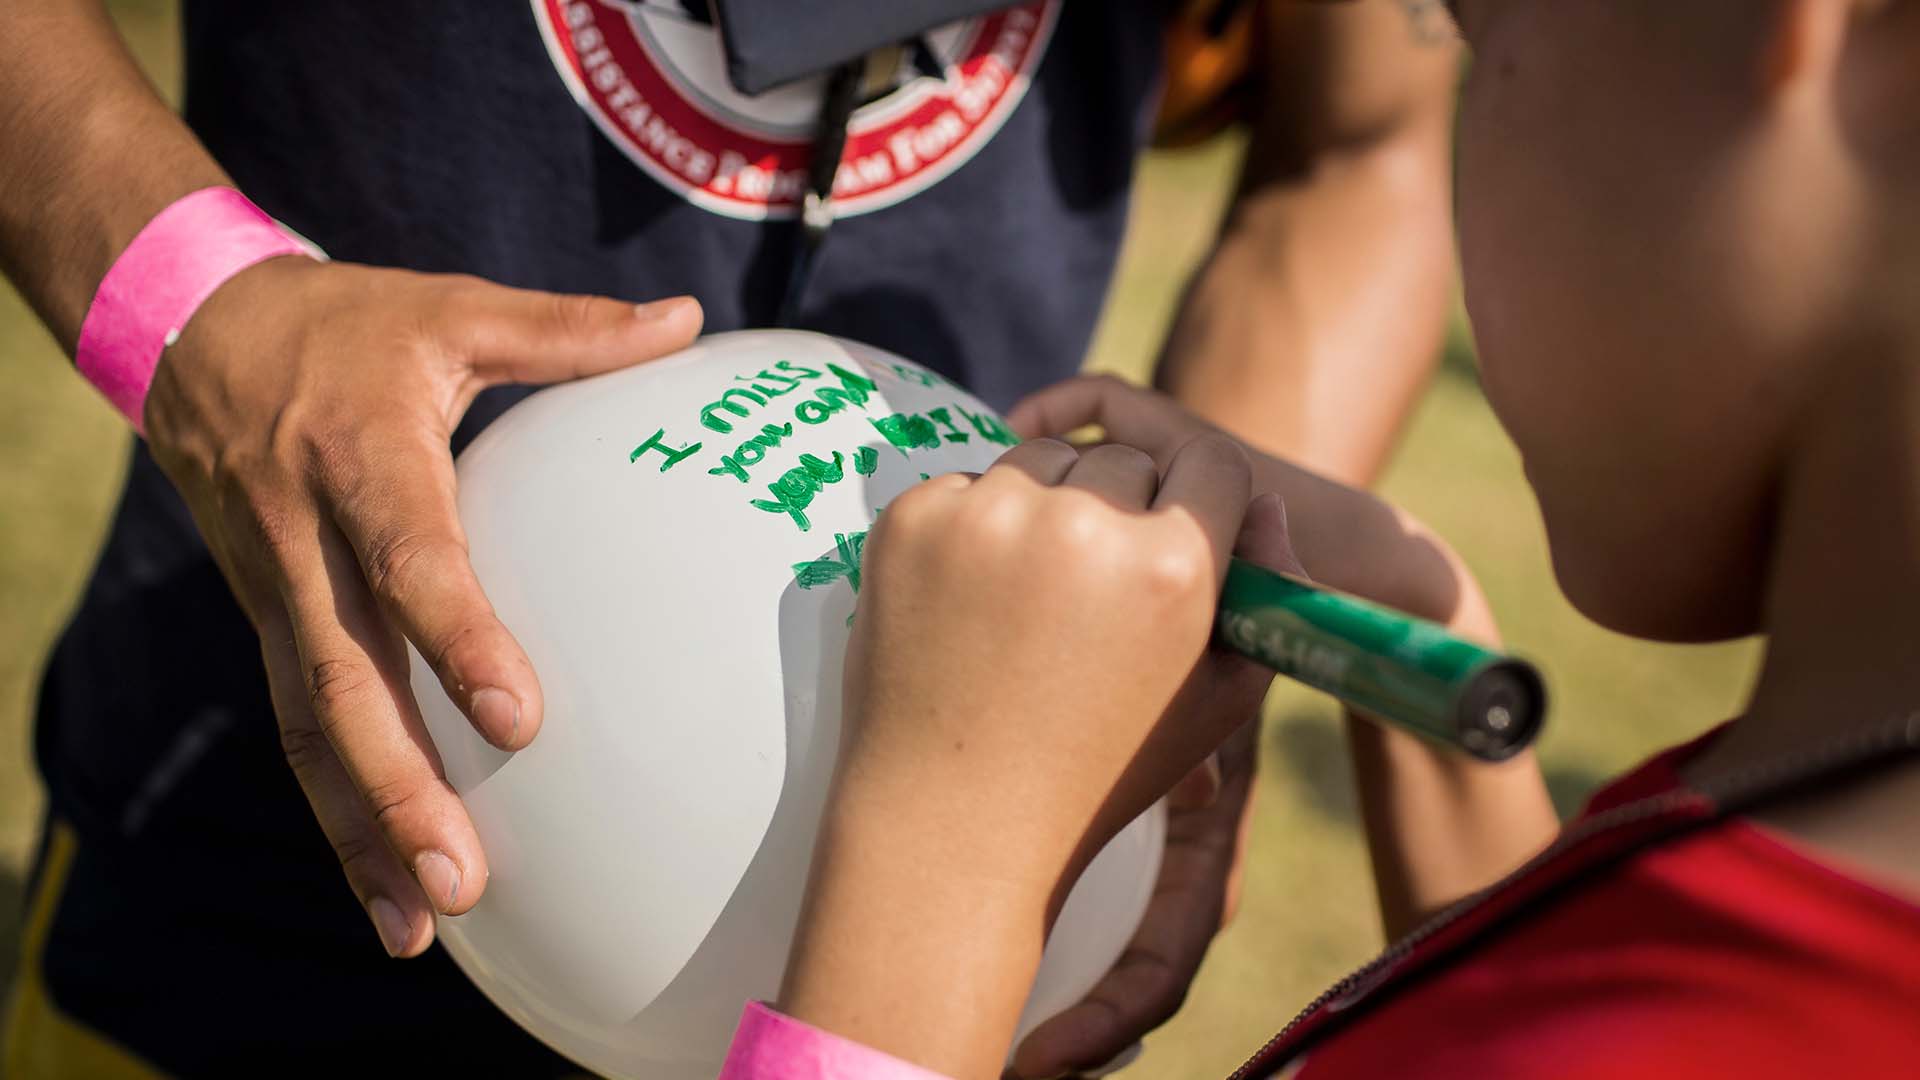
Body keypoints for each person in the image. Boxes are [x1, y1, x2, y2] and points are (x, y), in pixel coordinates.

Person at [0, 1, 1473, 1075]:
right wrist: (191, 303)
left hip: (963, 911)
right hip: (248, 820)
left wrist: (1182, 590)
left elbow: (1365, 136)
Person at [720, 0, 1920, 1076]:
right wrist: (1418, 638)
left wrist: (947, 850)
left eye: (1478, 25)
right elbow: (1537, 994)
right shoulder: (1823, 807)